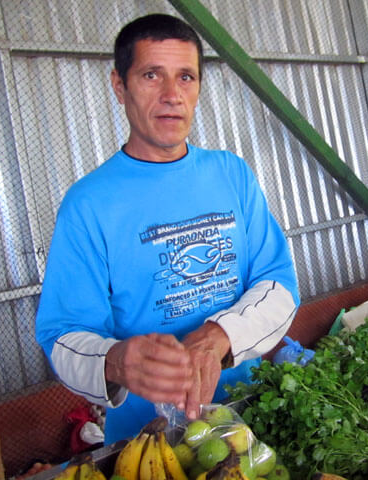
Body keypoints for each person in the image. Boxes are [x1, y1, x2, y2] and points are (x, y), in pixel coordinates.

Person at [35, 13, 300, 444]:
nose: (172, 95)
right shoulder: (89, 203)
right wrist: (116, 361)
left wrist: (218, 336)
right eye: (151, 75)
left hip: (254, 410)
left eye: (186, 77)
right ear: (119, 86)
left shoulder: (231, 174)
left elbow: (279, 285)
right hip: (149, 437)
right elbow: (62, 335)